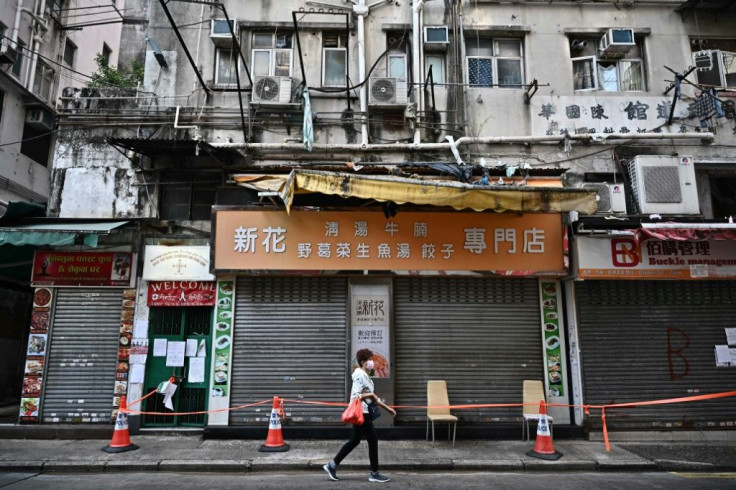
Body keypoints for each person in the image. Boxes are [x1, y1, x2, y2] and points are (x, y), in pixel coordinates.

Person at [323, 348, 396, 483]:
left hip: (364, 412)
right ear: (363, 362)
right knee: (372, 441)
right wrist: (371, 395)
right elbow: (356, 396)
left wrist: (388, 408)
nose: (372, 362)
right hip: (362, 412)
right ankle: (374, 473)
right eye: (369, 360)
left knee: (355, 440)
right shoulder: (359, 375)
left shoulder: (365, 375)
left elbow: (373, 398)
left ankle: (332, 465)